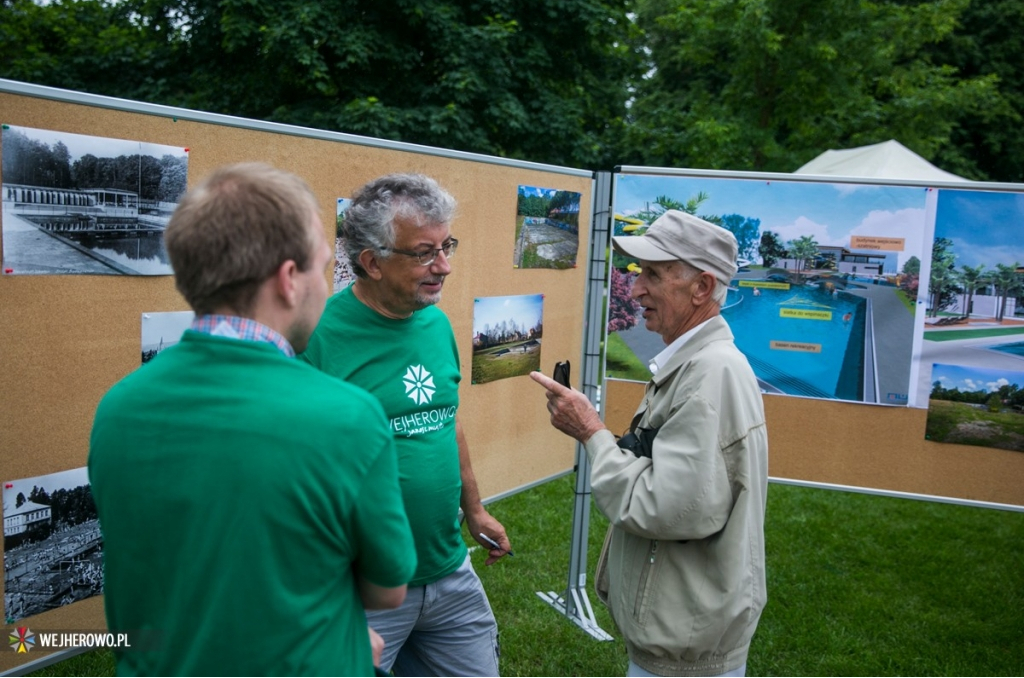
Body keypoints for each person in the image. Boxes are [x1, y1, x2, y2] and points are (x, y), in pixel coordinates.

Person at [88, 163, 416, 676]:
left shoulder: (118, 406)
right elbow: (386, 589)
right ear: (289, 279)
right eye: (324, 268)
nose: (326, 289)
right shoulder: (346, 418)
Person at [531, 210, 768, 677]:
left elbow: (665, 506)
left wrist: (591, 433)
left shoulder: (709, 374)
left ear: (702, 287)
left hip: (685, 657)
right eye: (639, 273)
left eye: (654, 274)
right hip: (683, 639)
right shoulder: (698, 365)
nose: (636, 288)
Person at [301, 173, 510, 677]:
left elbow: (445, 420)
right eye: (424, 253)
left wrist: (475, 510)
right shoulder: (317, 339)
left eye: (446, 247)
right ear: (371, 262)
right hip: (363, 587)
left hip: (448, 568)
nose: (445, 266)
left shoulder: (435, 323)